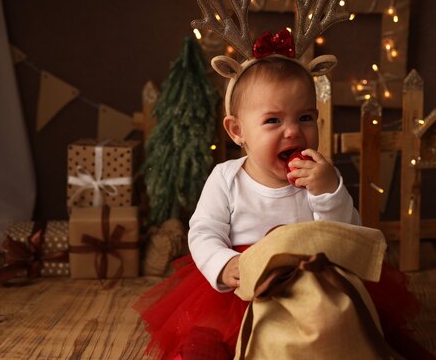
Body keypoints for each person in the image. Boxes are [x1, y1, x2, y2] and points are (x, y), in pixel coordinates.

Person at [134, 54, 361, 360]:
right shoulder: (226, 178)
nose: (293, 131)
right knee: (205, 341)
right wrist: (222, 263)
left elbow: (346, 236)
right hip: (243, 290)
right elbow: (203, 231)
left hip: (308, 290)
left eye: (305, 118)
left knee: (331, 337)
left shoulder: (322, 177)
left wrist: (327, 192)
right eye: (273, 120)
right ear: (237, 130)